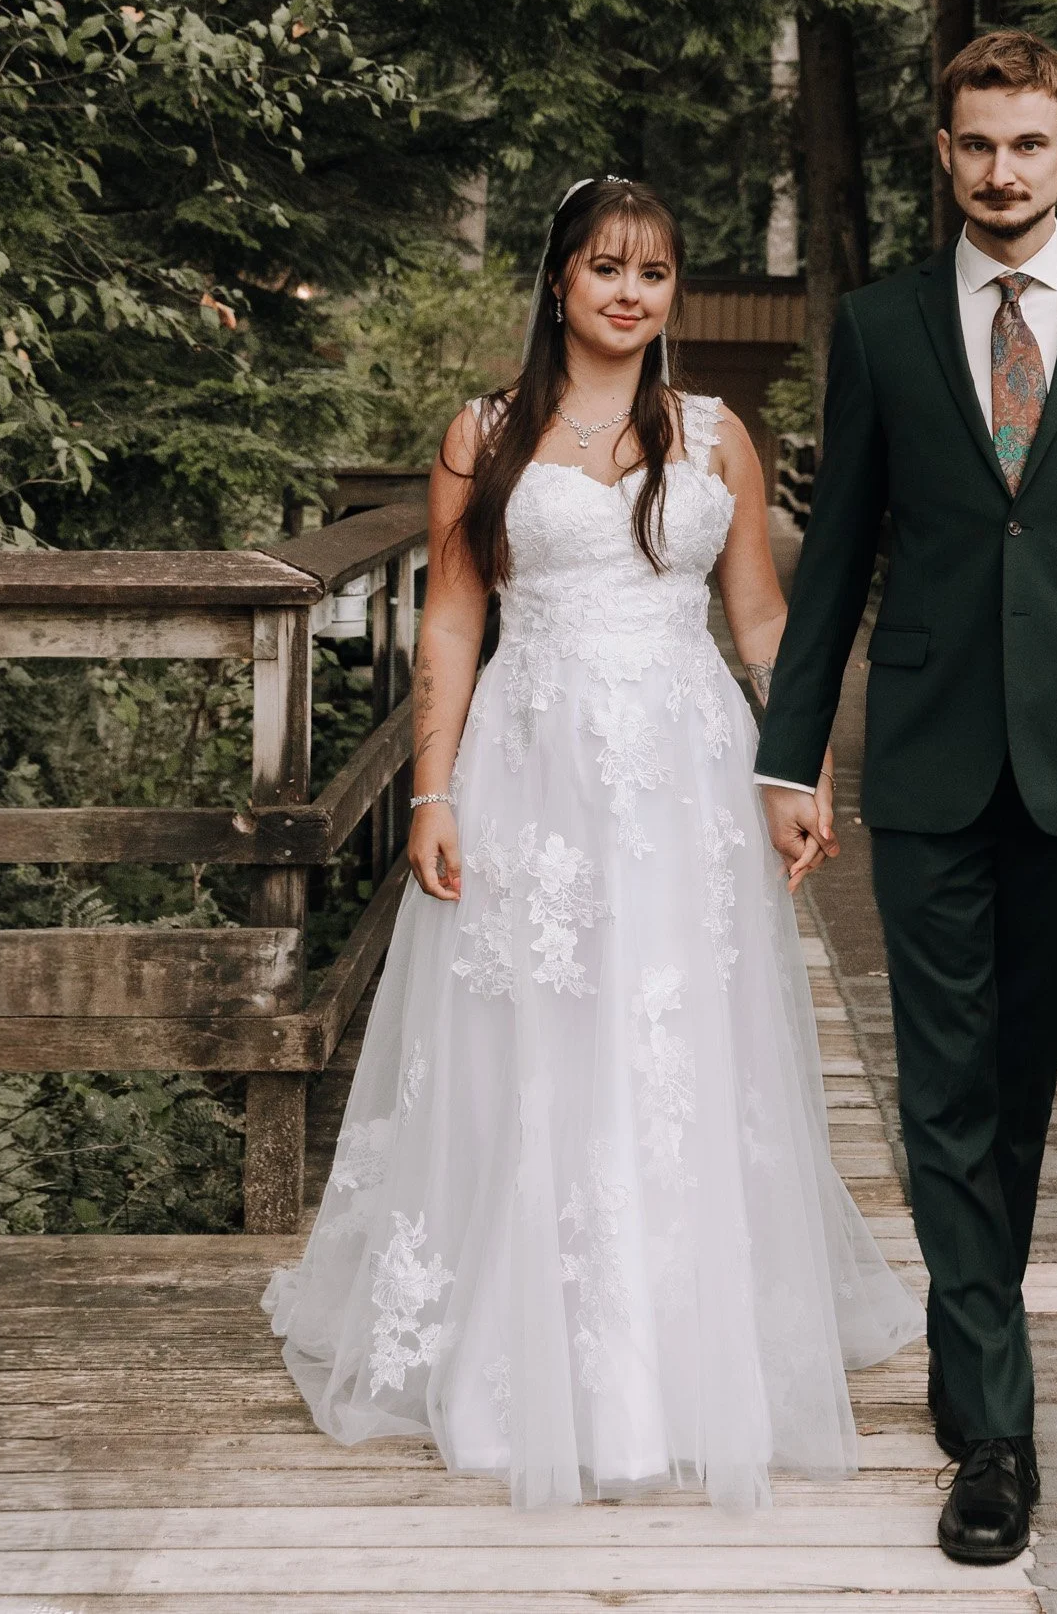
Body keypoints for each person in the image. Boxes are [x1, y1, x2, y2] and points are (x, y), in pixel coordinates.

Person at [264, 176, 923, 1511]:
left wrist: (796, 766)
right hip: (532, 770)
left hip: (686, 773)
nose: (631, 292)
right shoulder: (485, 435)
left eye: (656, 271)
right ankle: (533, 1362)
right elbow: (452, 622)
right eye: (606, 267)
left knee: (672, 1039)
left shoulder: (717, 438)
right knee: (541, 1044)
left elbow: (757, 623)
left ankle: (682, 1365)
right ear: (559, 280)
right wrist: (434, 795)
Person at [754, 31, 1057, 1566]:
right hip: (921, 751)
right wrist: (789, 752)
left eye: (1026, 145)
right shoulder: (882, 324)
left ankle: (977, 1342)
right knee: (939, 1087)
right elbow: (832, 555)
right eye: (975, 146)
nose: (999, 173)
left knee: (1016, 1095)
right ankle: (996, 1435)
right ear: (943, 153)